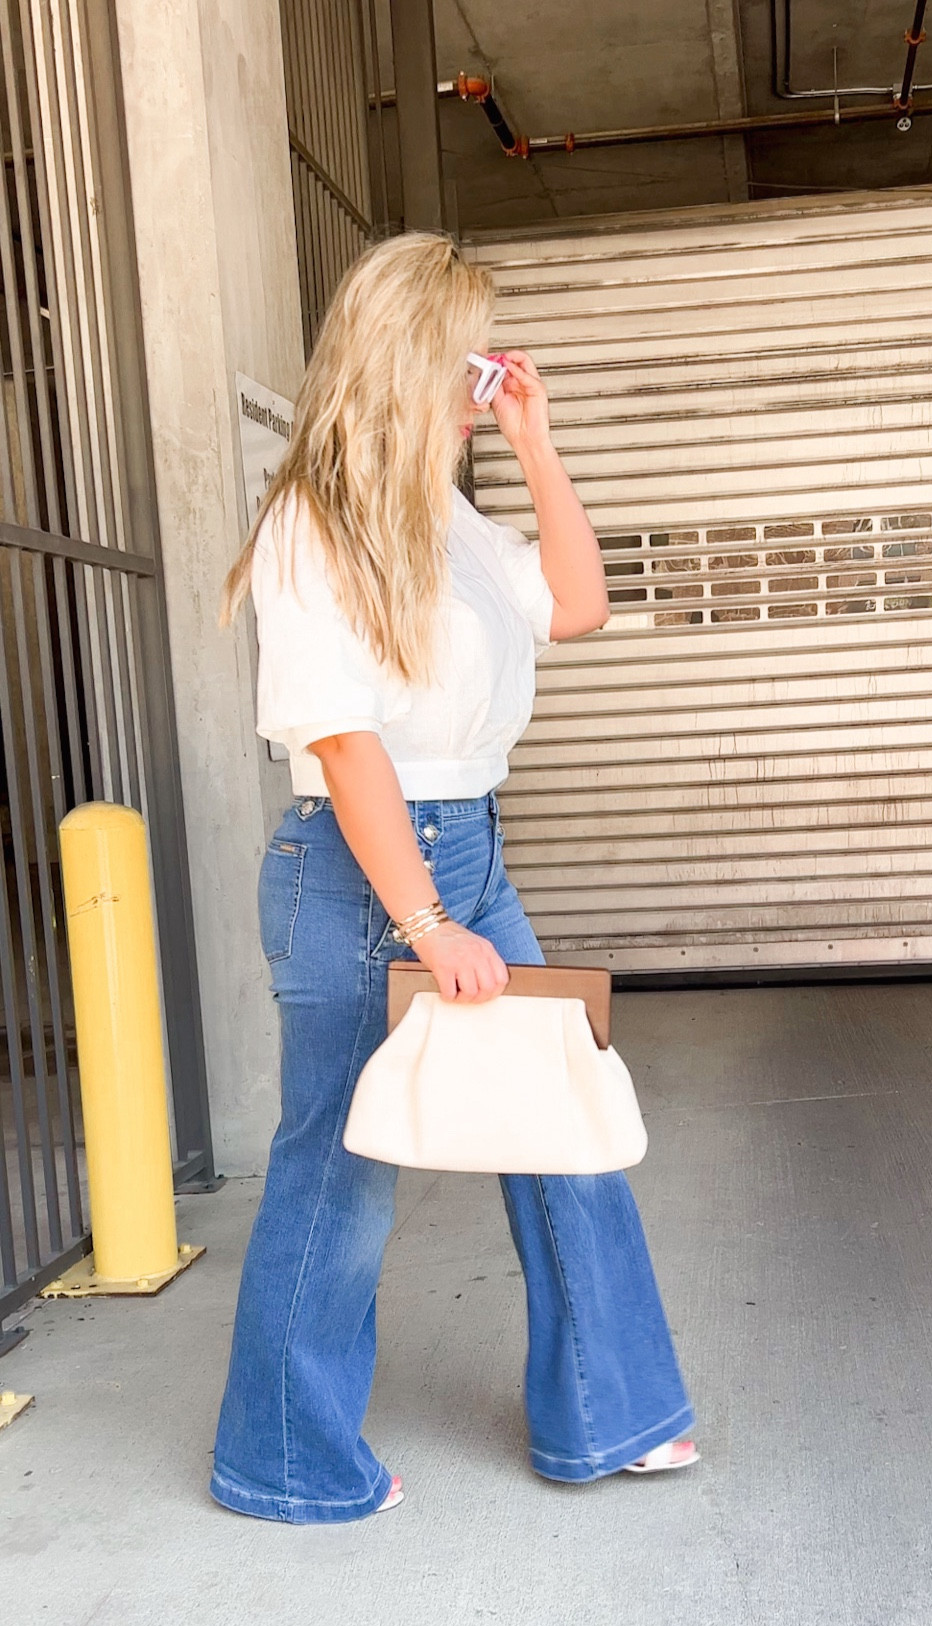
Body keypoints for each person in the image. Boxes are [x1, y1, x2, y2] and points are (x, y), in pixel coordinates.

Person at [210, 233, 697, 1524]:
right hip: (365, 870)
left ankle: (613, 1414)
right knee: (343, 1172)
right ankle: (287, 1458)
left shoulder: (456, 519)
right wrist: (425, 917)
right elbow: (344, 738)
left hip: (468, 844)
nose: (482, 374)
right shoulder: (313, 523)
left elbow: (578, 603)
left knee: (563, 1118)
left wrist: (536, 441)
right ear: (415, 355)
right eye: (470, 352)